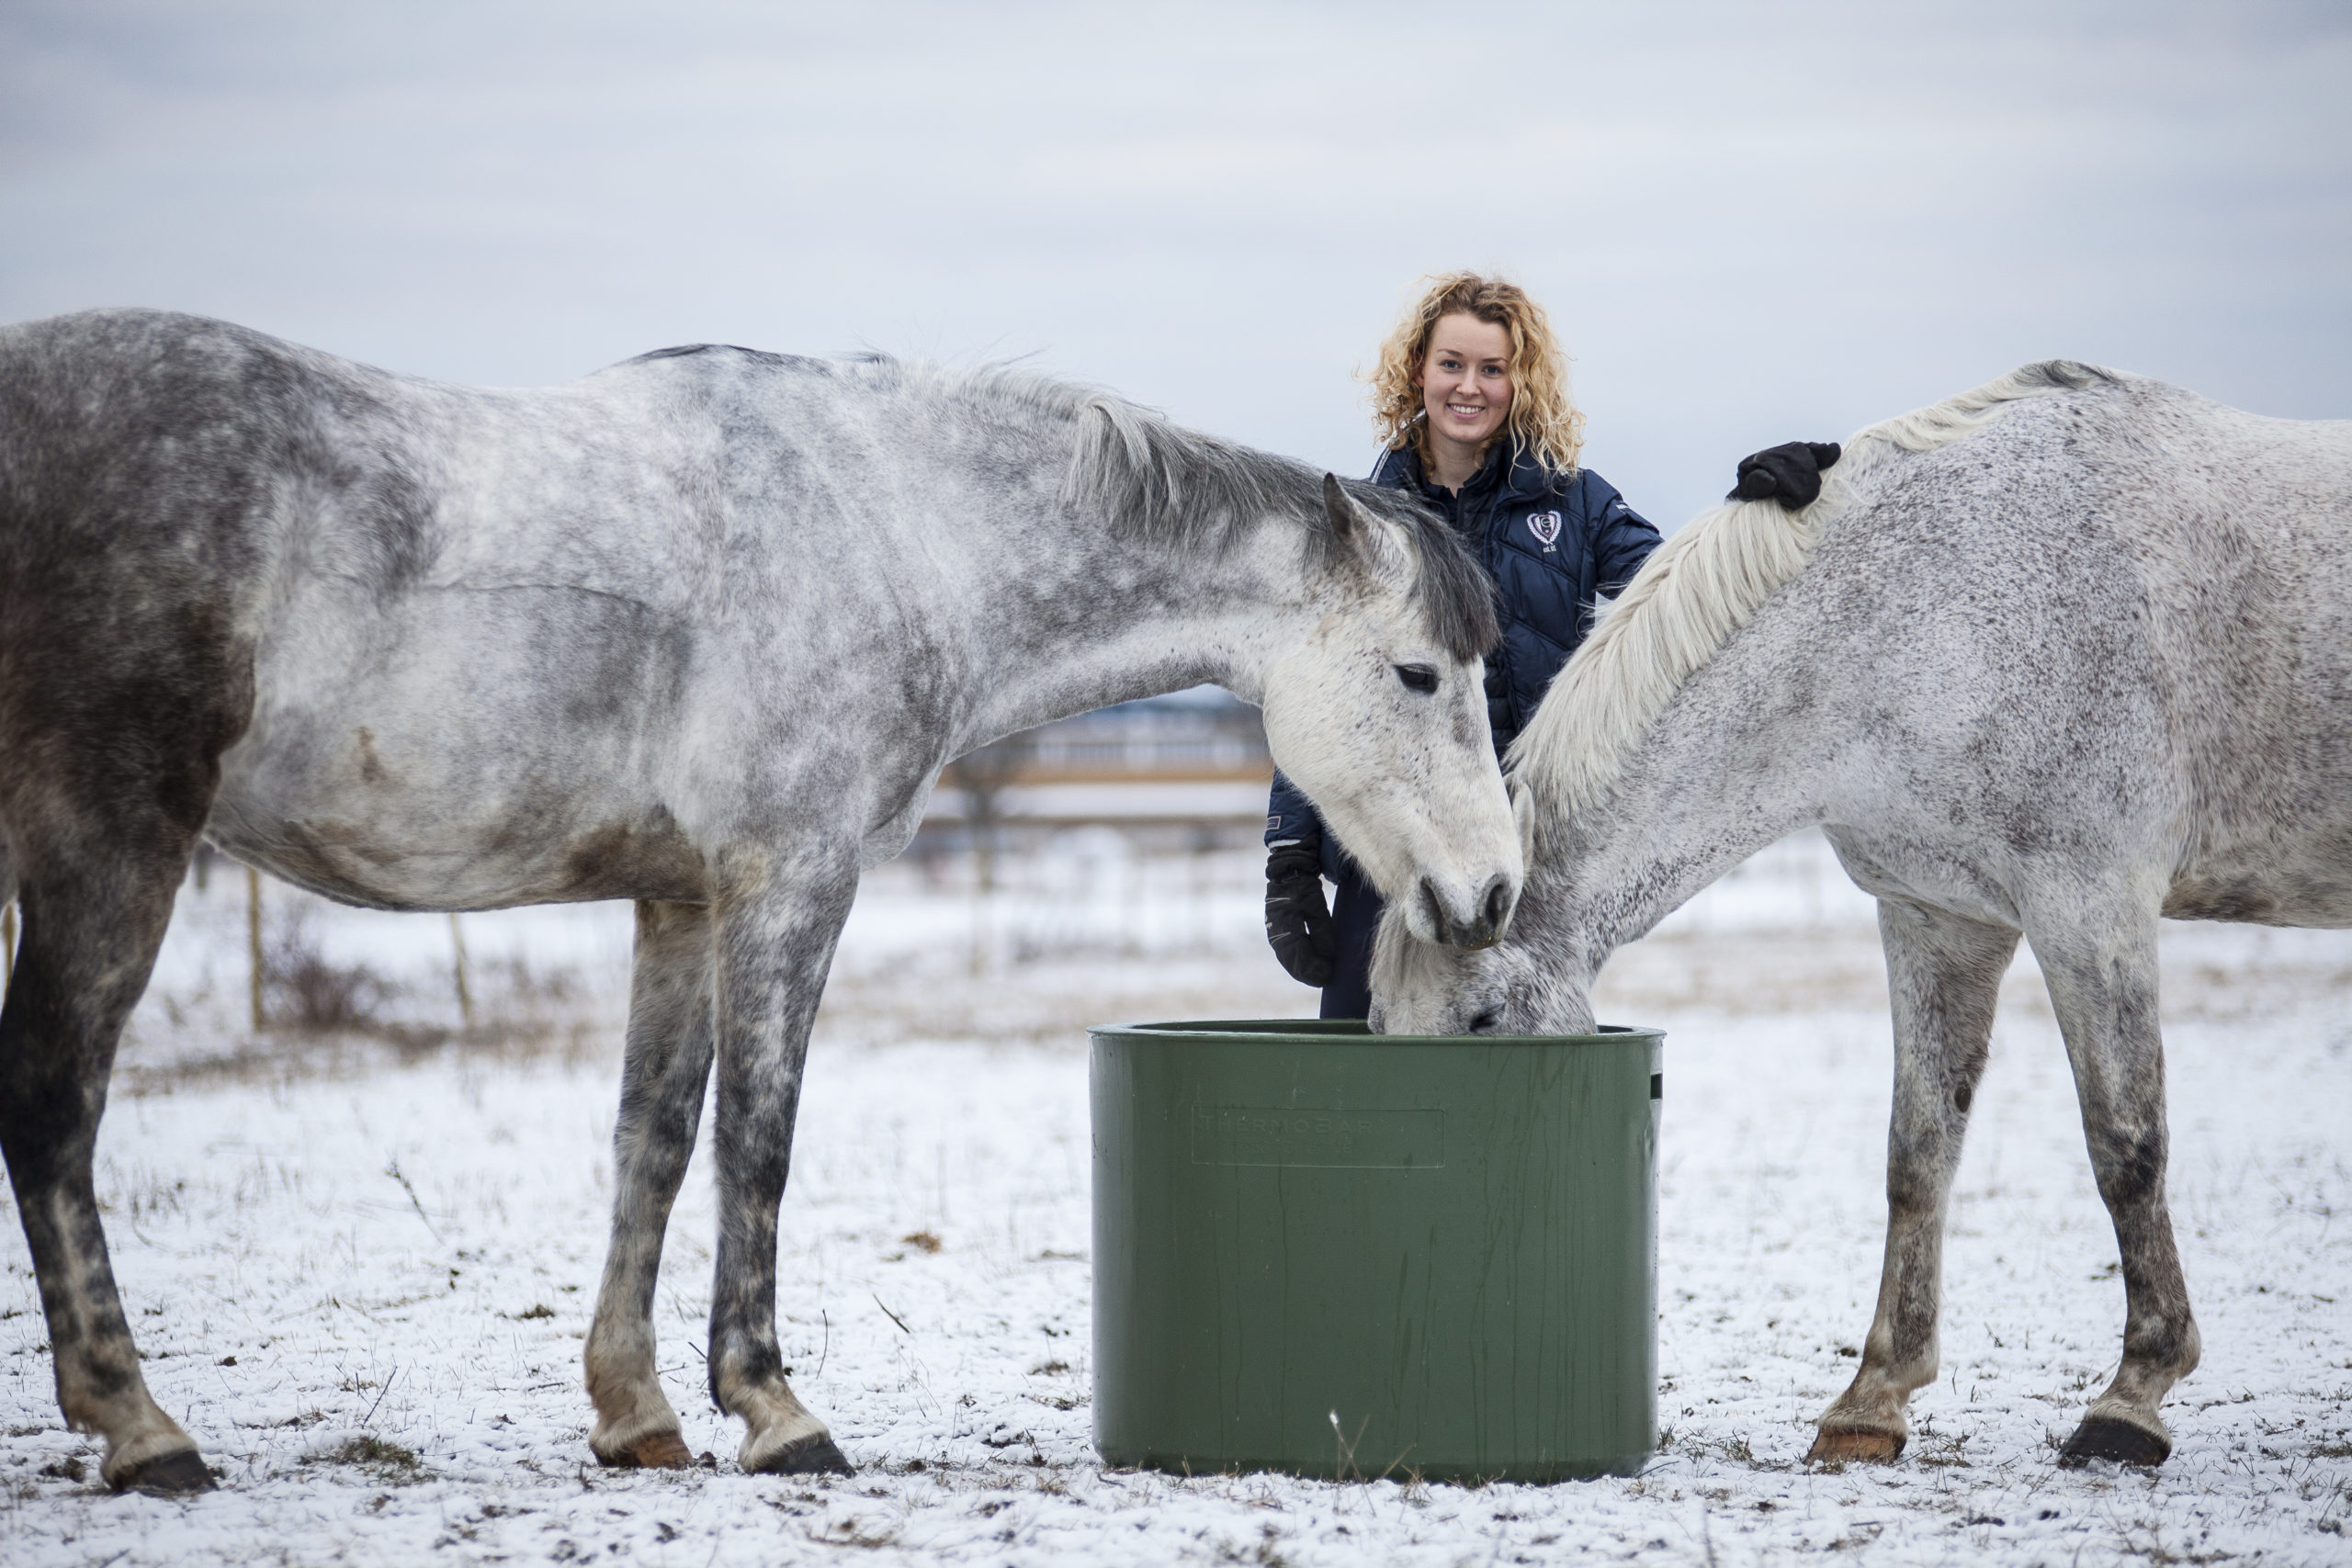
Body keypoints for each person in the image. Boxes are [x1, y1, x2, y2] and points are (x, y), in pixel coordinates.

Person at [1263, 273, 1834, 1016]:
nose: (1470, 386)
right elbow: (1318, 689)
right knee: (1361, 1094)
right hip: (1394, 867)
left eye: (1492, 369)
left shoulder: (1579, 506)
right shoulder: (1365, 527)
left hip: (1520, 868)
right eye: (1452, 364)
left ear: (1519, 381)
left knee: (1509, 1095)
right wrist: (1291, 852)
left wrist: (1749, 514)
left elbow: (1682, 594)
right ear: (1418, 373)